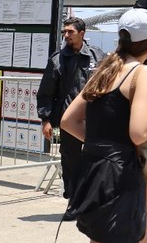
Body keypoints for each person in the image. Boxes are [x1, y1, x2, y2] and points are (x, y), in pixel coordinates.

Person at [59, 8, 147, 243]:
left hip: (93, 170)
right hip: (119, 175)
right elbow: (138, 132)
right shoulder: (141, 72)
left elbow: (68, 121)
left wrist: (101, 143)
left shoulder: (105, 69)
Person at [36, 16, 105, 206]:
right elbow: (46, 93)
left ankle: (92, 202)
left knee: (96, 160)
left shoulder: (98, 56)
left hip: (95, 119)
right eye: (64, 32)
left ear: (82, 33)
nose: (66, 35)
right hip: (68, 122)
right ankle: (73, 202)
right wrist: (46, 120)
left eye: (70, 32)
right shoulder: (57, 60)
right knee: (70, 162)